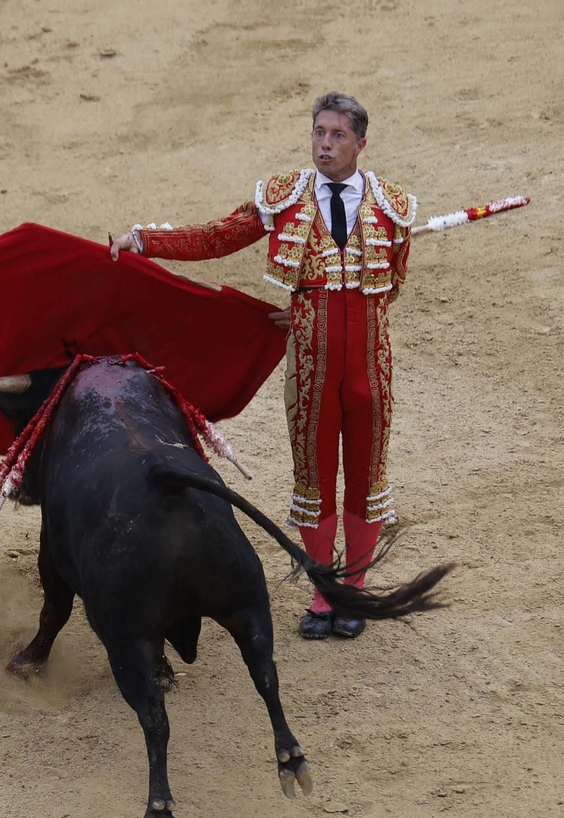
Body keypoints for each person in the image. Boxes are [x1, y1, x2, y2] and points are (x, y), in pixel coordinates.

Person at [109, 91, 416, 640]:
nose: (325, 144)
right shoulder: (285, 197)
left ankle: (356, 595)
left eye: (337, 136)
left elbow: (388, 286)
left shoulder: (392, 204)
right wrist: (145, 241)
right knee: (315, 481)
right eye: (319, 133)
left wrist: (313, 309)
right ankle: (327, 596)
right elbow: (217, 237)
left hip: (371, 371)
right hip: (311, 371)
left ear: (360, 144)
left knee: (366, 481)